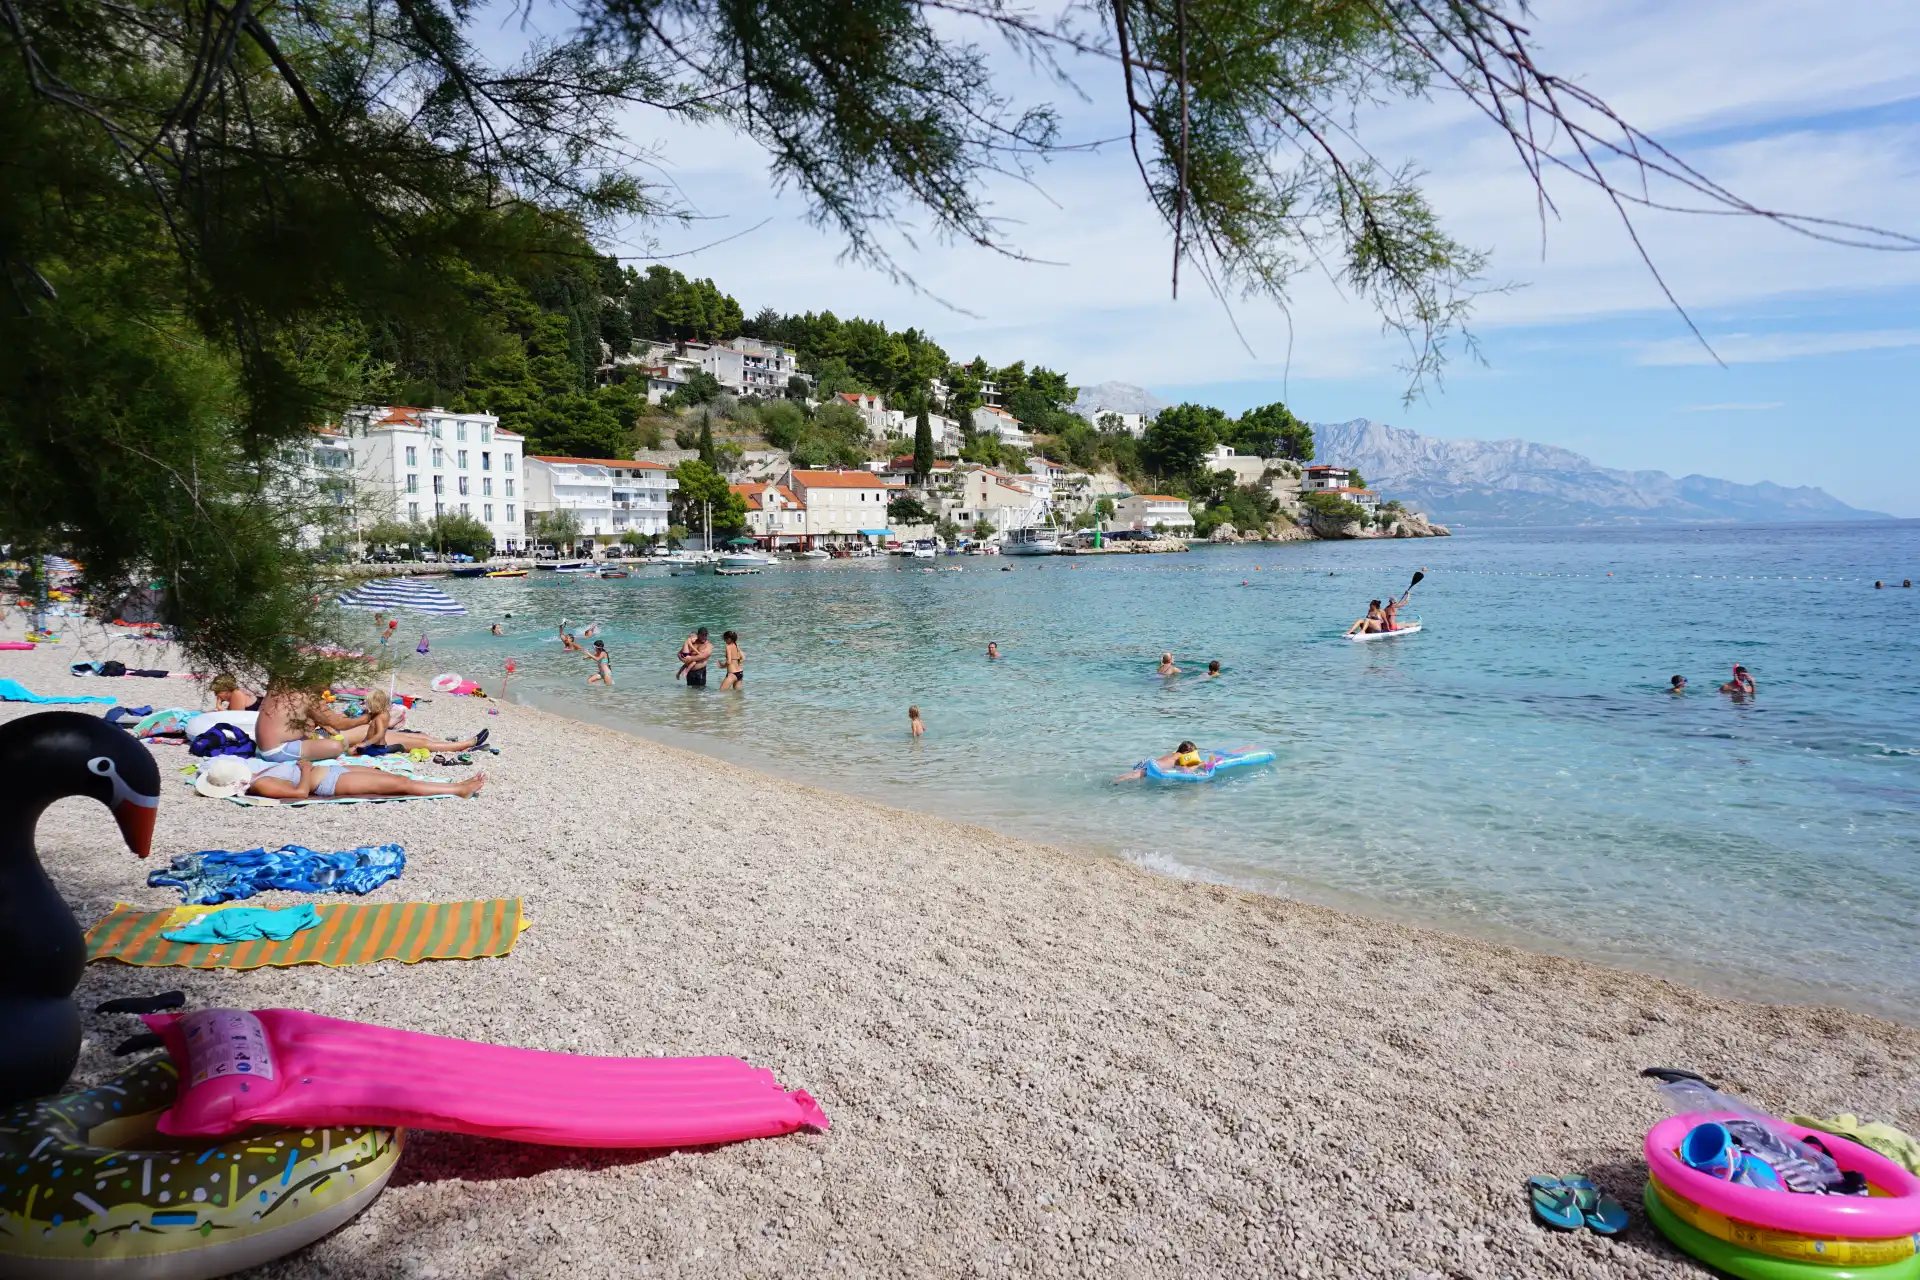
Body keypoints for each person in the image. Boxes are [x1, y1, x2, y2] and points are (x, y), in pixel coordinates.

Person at [200, 754, 487, 802]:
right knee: (401, 785)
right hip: (330, 783)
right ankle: (458, 789)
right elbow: (299, 794)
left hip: (333, 772)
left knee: (389, 776)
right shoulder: (261, 784)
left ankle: (457, 786)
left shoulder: (259, 774)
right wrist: (306, 771)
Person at [1114, 741, 1205, 781]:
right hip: (1153, 766)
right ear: (1187, 753)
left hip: (1149, 762)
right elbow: (1186, 771)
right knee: (1140, 774)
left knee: (1133, 774)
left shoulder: (1174, 755)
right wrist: (1198, 765)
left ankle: (1116, 780)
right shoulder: (1181, 756)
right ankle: (1116, 781)